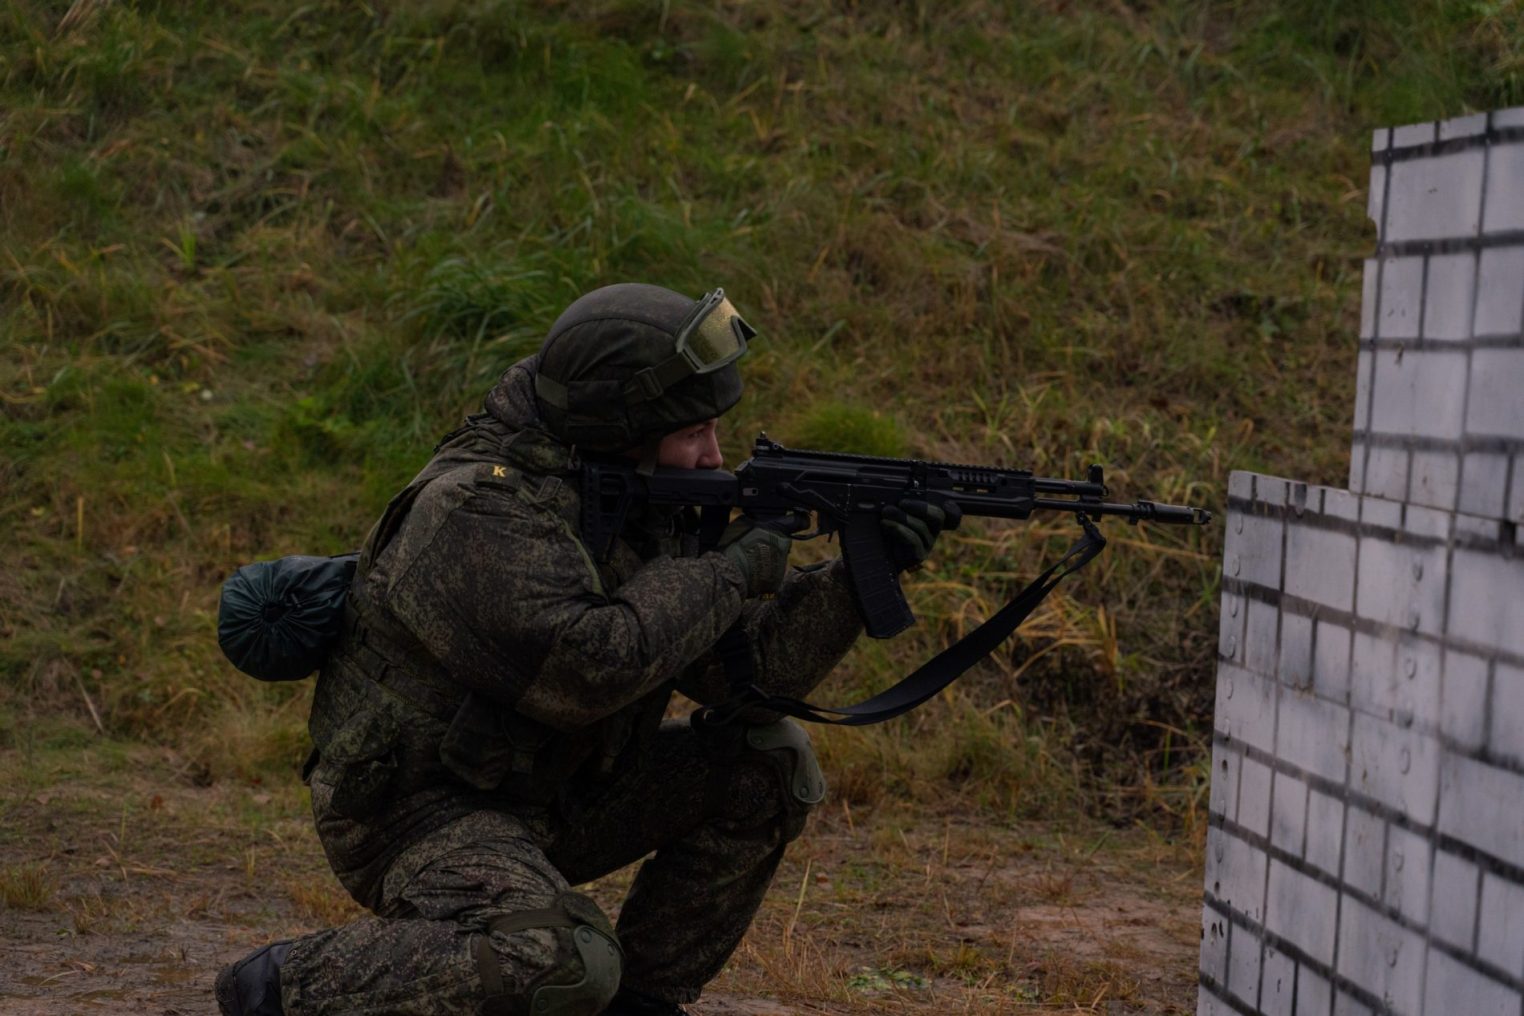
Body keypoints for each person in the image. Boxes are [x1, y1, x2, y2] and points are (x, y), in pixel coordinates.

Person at [215, 283, 953, 1016]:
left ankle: (642, 1005)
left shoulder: (631, 494)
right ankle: (288, 984)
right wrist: (728, 571)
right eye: (694, 432)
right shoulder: (474, 511)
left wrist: (859, 579)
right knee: (562, 958)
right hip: (421, 814)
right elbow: (589, 669)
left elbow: (749, 678)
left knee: (769, 760)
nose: (712, 456)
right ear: (626, 425)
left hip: (555, 791)